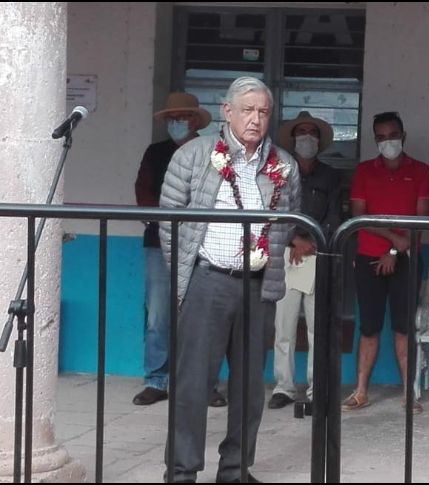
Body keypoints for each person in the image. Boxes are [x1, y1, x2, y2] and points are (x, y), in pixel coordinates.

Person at [159, 77, 300, 483]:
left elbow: (287, 221)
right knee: (192, 386)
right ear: (227, 112)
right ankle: (182, 472)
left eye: (263, 112)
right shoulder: (194, 154)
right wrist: (186, 275)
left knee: (249, 389)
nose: (255, 119)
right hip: (209, 281)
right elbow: (171, 222)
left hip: (257, 287)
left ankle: (235, 470)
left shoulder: (283, 165)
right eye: (248, 110)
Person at [132, 92, 227, 408]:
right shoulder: (155, 152)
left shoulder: (212, 152)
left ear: (196, 120)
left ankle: (203, 383)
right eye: (172, 118)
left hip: (203, 246)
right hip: (159, 243)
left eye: (183, 117)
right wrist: (160, 221)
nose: (177, 123)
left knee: (202, 316)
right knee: (158, 315)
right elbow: (143, 191)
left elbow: (218, 194)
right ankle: (157, 380)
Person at [342, 111, 429, 413]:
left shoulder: (421, 170)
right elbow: (359, 215)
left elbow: (420, 219)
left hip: (406, 258)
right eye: (381, 137)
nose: (387, 142)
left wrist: (394, 252)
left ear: (403, 136)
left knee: (403, 328)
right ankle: (360, 391)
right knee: (368, 327)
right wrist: (393, 241)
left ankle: (409, 394)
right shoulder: (365, 171)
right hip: (369, 256)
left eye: (392, 135)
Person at [268, 111, 341, 410]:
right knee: (283, 327)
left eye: (312, 132)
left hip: (317, 254)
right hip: (285, 254)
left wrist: (312, 240)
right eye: (302, 132)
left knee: (316, 328)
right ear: (293, 139)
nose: (307, 137)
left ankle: (316, 389)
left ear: (319, 140)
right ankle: (284, 387)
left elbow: (336, 214)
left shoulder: (330, 176)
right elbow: (270, 211)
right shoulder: (278, 172)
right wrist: (293, 240)